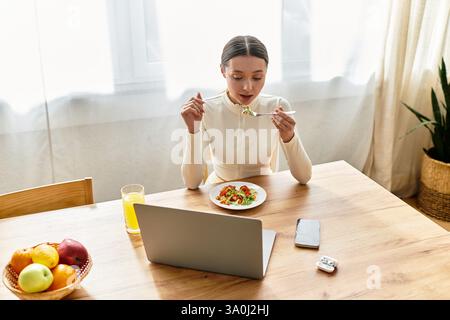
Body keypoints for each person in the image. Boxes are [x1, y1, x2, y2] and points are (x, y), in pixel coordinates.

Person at [180, 35, 312, 189]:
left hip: (264, 191)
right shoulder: (207, 109)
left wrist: (290, 137)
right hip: (220, 191)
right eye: (237, 77)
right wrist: (192, 130)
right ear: (223, 71)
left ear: (266, 73)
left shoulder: (277, 107)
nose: (248, 87)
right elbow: (191, 183)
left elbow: (304, 177)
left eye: (257, 77)